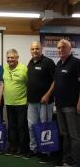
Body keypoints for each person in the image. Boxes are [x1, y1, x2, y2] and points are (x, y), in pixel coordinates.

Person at [27, 41, 55, 161]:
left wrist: (47, 95)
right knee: (31, 126)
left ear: (41, 49)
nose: (35, 51)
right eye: (32, 49)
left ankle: (45, 151)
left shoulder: (48, 62)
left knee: (45, 126)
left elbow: (56, 80)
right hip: (32, 102)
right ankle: (34, 149)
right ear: (30, 50)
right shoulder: (30, 63)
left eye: (37, 48)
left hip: (45, 102)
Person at [54, 39, 80, 167]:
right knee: (65, 134)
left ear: (70, 49)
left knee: (74, 136)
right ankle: (66, 161)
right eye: (58, 48)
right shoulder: (59, 63)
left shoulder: (76, 63)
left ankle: (75, 162)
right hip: (59, 106)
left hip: (71, 106)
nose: (60, 50)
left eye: (63, 47)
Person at [3, 49, 28, 156]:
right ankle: (13, 146)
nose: (10, 59)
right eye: (8, 57)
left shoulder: (24, 69)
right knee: (12, 126)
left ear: (17, 58)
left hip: (21, 103)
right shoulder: (4, 68)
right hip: (8, 103)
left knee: (21, 126)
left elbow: (29, 84)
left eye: (12, 57)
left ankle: (22, 148)